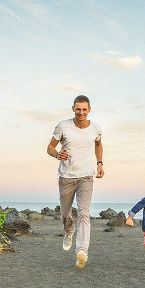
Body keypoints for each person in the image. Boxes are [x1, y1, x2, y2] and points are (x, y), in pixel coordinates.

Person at [47, 95, 104, 268]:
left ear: (89, 110)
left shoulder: (95, 128)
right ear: (73, 109)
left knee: (84, 213)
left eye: (84, 109)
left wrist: (100, 163)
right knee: (65, 214)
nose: (81, 112)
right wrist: (57, 154)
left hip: (86, 176)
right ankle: (68, 231)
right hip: (66, 177)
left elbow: (98, 144)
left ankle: (82, 251)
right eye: (78, 109)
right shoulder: (63, 126)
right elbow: (49, 147)